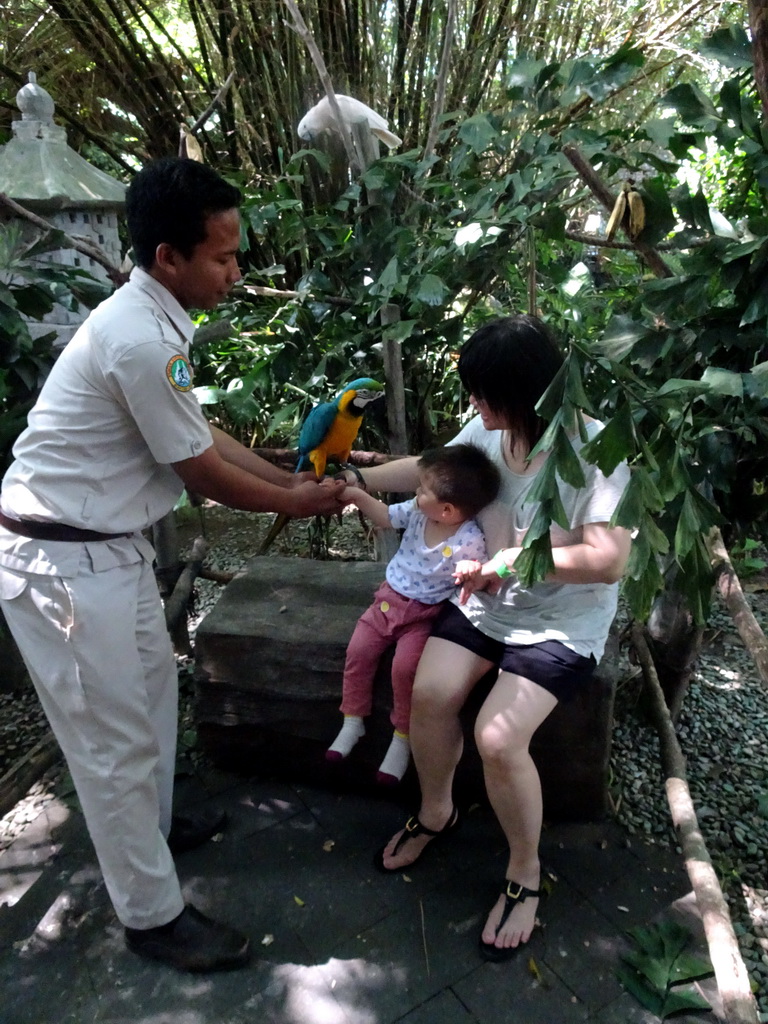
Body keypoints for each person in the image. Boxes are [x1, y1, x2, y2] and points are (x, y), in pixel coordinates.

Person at [0, 156, 347, 973]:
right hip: (61, 564)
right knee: (112, 742)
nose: (236, 272)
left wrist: (286, 477)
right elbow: (199, 473)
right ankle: (151, 917)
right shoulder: (137, 339)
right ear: (169, 258)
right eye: (224, 258)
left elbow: (200, 436)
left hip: (105, 550)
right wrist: (292, 502)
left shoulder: (156, 324)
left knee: (155, 695)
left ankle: (153, 829)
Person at [336, 315, 631, 962]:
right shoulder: (489, 433)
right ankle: (436, 810)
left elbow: (609, 560)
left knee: (499, 737)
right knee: (428, 689)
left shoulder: (599, 450)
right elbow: (432, 469)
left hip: (561, 619)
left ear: (523, 395)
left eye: (483, 394)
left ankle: (524, 870)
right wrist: (355, 480)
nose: (473, 404)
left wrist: (513, 562)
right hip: (485, 604)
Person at [326, 444, 500, 783]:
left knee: (405, 670)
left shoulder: (468, 540)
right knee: (358, 652)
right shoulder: (419, 512)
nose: (417, 493)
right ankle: (352, 720)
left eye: (422, 490)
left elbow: (479, 579)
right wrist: (357, 495)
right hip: (387, 601)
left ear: (447, 510)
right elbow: (386, 517)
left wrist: (471, 572)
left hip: (424, 615)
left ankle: (402, 736)